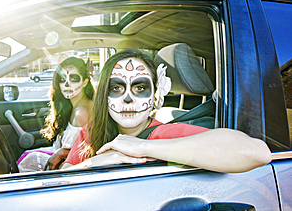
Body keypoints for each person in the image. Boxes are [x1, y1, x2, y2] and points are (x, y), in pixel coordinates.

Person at [62, 49, 272, 173]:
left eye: (140, 88)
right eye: (116, 88)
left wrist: (143, 147)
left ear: (155, 95)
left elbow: (256, 153)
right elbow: (60, 180)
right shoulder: (91, 131)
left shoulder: (168, 134)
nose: (127, 98)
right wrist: (93, 163)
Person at [17, 57, 94, 172]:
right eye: (62, 79)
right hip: (63, 159)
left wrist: (62, 152)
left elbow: (89, 152)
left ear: (85, 82)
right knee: (28, 155)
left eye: (74, 78)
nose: (67, 84)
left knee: (30, 160)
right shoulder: (74, 106)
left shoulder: (81, 113)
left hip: (69, 167)